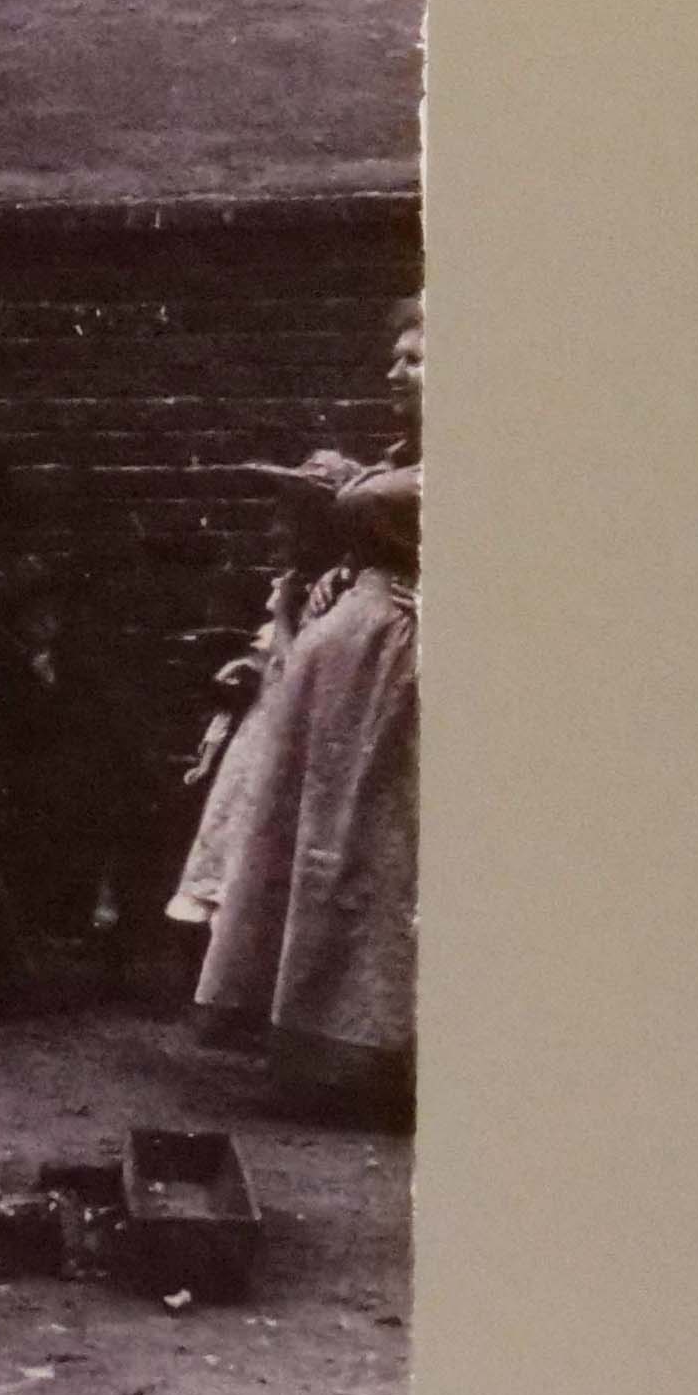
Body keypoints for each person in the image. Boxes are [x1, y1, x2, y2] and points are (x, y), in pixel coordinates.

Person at [185, 310, 420, 1116]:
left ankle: (383, 1045)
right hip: (348, 669)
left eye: (417, 360)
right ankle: (322, 1034)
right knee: (326, 845)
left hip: (399, 670)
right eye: (393, 356)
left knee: (380, 851)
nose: (396, 371)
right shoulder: (399, 458)